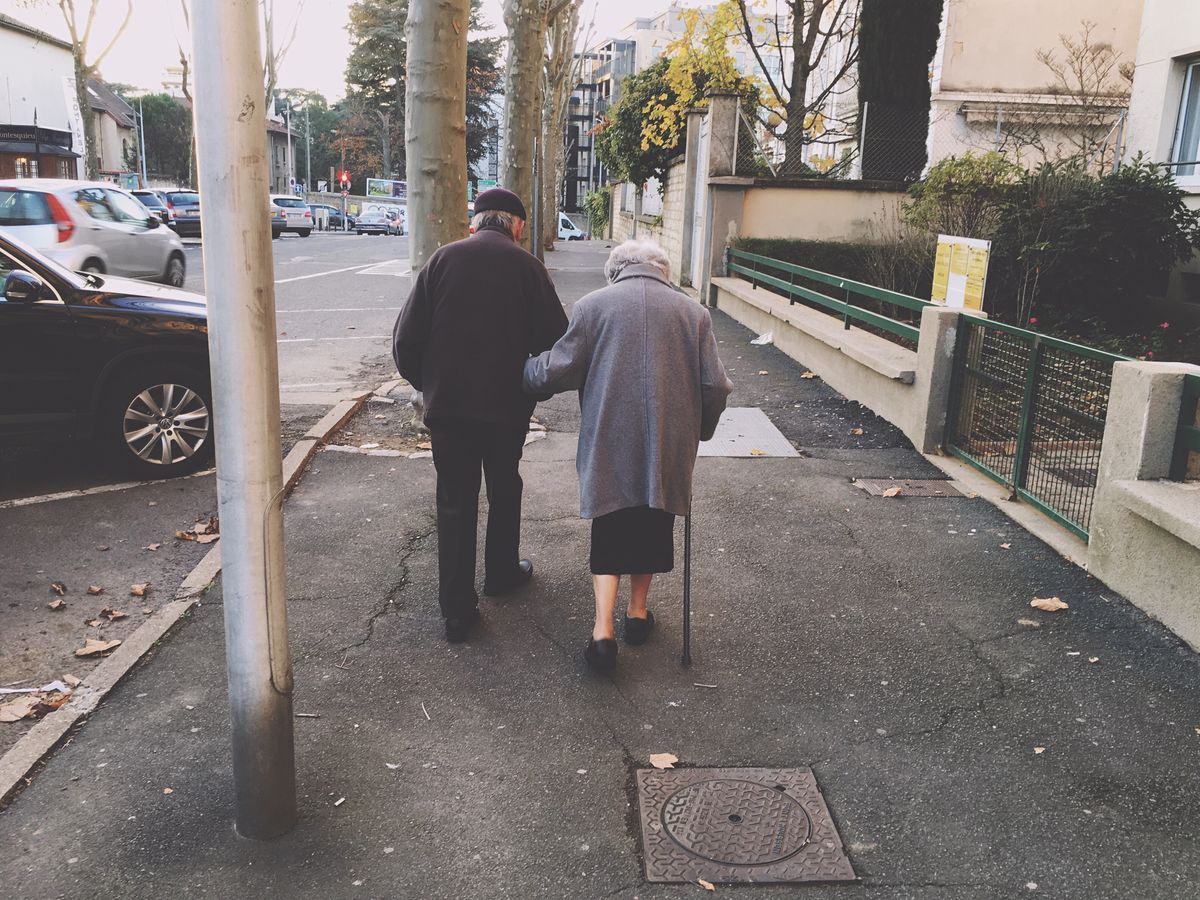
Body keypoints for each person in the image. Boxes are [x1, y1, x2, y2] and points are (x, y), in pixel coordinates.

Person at [523, 240, 733, 673]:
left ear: (616, 270)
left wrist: (522, 371)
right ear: (662, 271)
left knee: (611, 526)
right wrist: (699, 432)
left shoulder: (592, 306)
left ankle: (603, 633)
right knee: (652, 519)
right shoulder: (694, 314)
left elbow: (558, 368)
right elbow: (716, 386)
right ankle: (637, 615)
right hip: (667, 443)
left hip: (608, 440)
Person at [393, 188, 568, 643]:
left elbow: (406, 340)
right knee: (505, 485)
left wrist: (427, 386)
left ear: (475, 222)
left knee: (454, 499)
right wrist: (535, 388)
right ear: (518, 226)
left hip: (449, 408)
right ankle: (501, 573)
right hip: (506, 406)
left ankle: (456, 610)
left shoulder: (442, 261)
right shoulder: (530, 269)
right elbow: (557, 342)